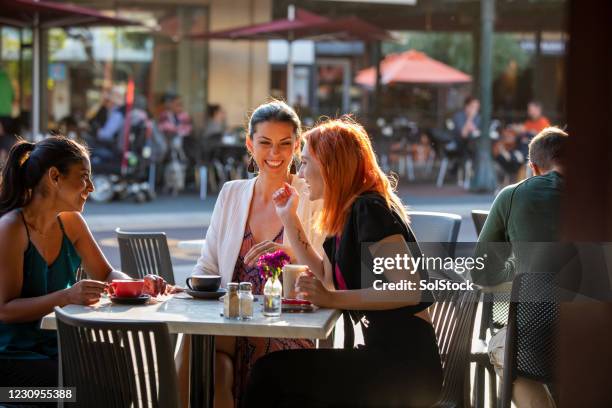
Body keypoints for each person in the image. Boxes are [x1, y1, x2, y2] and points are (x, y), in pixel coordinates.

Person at [243, 118, 443, 407]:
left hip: (405, 369)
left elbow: (410, 290)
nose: (301, 171)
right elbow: (325, 274)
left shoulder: (369, 209)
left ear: (330, 166)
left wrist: (332, 298)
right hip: (383, 358)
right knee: (276, 373)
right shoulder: (349, 213)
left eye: (307, 162)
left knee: (270, 374)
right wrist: (289, 217)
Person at [178, 101, 324, 408]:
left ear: (297, 146)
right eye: (265, 143)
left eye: (285, 144)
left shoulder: (311, 195)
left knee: (217, 364)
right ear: (249, 144)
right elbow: (207, 265)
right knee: (197, 344)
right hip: (231, 322)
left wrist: (287, 252)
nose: (275, 154)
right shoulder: (232, 193)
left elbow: (324, 271)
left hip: (285, 324)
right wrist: (191, 290)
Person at [0, 136, 174, 388]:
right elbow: (5, 310)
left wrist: (138, 285)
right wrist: (67, 296)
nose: (91, 186)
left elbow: (106, 273)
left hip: (59, 348)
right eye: (83, 176)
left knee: (118, 362)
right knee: (76, 390)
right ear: (54, 176)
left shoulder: (71, 222)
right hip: (12, 366)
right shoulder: (11, 229)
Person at [473, 127, 569, 408]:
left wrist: (519, 269)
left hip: (537, 334)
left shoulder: (513, 195)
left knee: (502, 347)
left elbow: (482, 272)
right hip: (597, 332)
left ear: (534, 167)